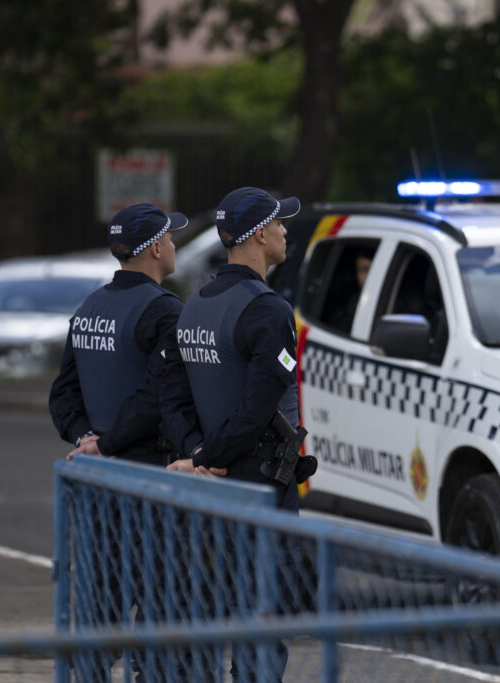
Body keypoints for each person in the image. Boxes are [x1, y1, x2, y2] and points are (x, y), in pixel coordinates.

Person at [165, 186, 308, 680]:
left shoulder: (196, 304)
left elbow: (174, 398)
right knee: (262, 624)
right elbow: (258, 403)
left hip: (210, 487)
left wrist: (196, 453)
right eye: (279, 223)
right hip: (259, 486)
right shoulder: (266, 308)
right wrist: (212, 454)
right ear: (259, 235)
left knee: (210, 616)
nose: (286, 231)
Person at [48, 202, 190, 682]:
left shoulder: (91, 306)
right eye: (169, 237)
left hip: (98, 485)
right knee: (158, 603)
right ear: (153, 248)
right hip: (149, 479)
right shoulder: (164, 309)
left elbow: (63, 393)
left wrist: (84, 437)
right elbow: (157, 396)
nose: (173, 245)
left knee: (102, 603)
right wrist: (106, 444)